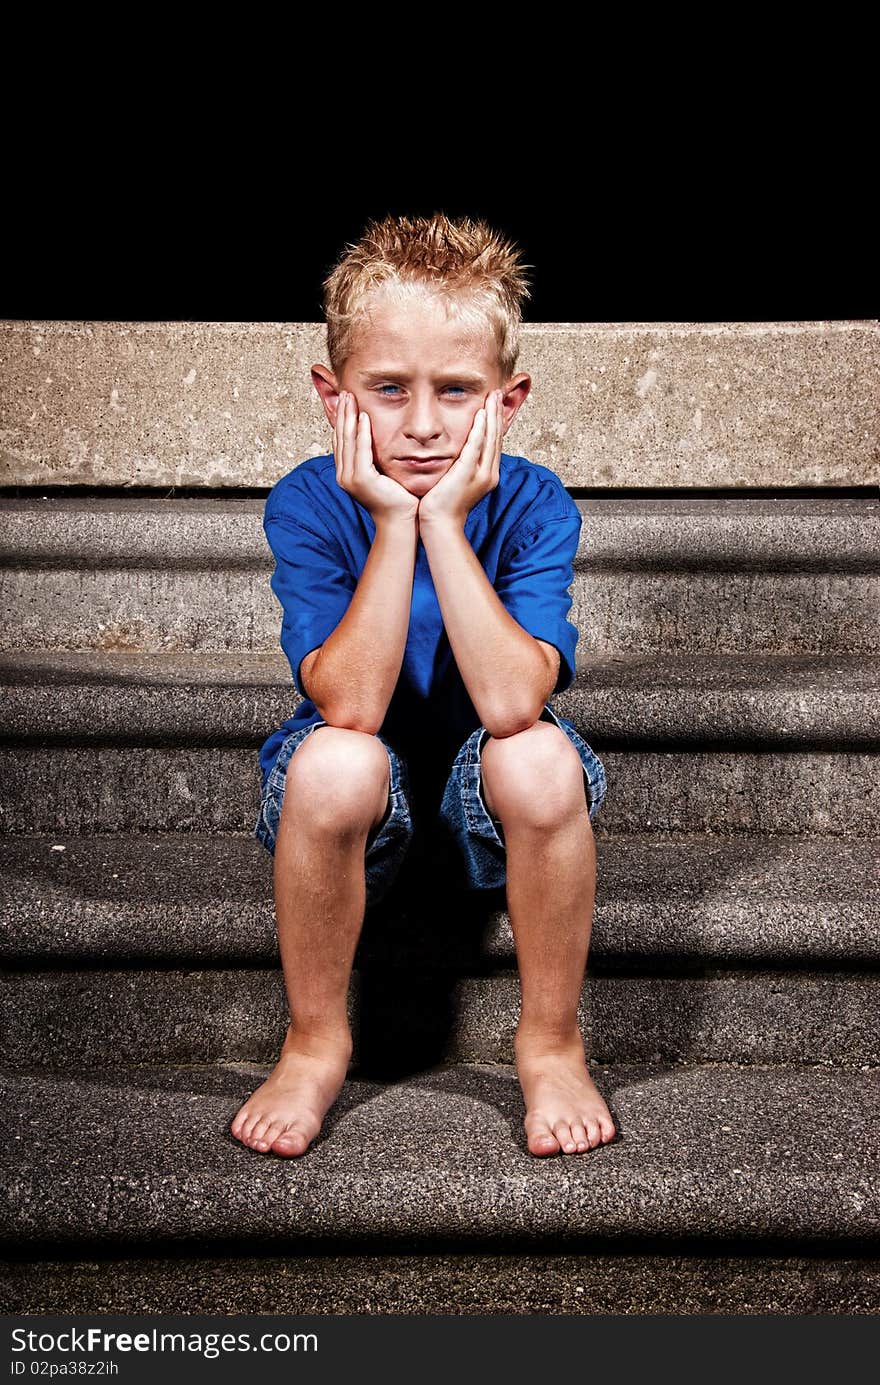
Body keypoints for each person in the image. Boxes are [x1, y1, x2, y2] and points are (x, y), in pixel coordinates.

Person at [232, 212, 616, 1159]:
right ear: (334, 395)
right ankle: (317, 1040)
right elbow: (351, 704)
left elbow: (511, 703)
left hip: (485, 796)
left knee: (539, 760)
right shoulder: (311, 501)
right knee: (332, 763)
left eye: (456, 391)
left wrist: (445, 523)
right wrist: (393, 523)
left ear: (507, 400)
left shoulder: (532, 503)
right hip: (361, 803)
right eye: (388, 389)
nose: (423, 425)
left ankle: (552, 1041)